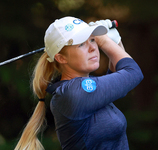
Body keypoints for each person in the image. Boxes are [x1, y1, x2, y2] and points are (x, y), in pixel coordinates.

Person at [14, 16, 144, 150]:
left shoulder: (84, 86)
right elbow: (132, 73)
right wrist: (104, 41)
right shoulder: (73, 93)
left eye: (93, 40)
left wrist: (116, 41)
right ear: (61, 58)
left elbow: (120, 79)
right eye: (81, 44)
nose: (93, 47)